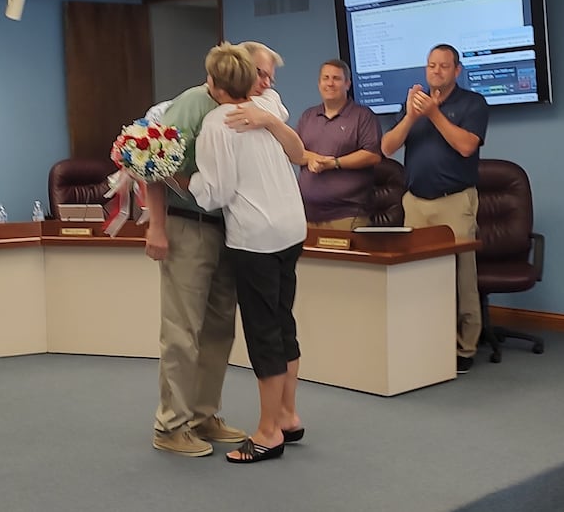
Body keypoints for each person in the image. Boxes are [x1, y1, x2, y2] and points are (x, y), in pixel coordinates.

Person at [144, 41, 289, 457]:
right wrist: (156, 225)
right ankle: (171, 425)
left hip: (230, 229)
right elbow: (151, 160)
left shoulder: (252, 107)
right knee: (182, 331)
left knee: (219, 328)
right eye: (259, 74)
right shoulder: (192, 104)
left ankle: (203, 414)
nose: (263, 83)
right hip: (188, 225)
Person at [188, 42, 306, 464]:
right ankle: (288, 415)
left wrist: (182, 179)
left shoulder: (218, 125)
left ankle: (268, 431)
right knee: (283, 320)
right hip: (292, 228)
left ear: (216, 85)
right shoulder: (269, 105)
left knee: (263, 333)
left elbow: (214, 193)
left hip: (256, 238)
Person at [380, 44, 488, 374]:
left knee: (461, 275)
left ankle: (465, 347)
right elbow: (386, 148)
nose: (436, 71)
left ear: (457, 70)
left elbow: (466, 146)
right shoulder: (413, 105)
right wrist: (413, 115)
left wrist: (434, 114)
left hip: (453, 201)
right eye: (431, 66)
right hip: (415, 202)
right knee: (419, 278)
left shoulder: (473, 103)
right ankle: (428, 340)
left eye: (443, 66)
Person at [295, 59, 382, 230]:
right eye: (325, 78)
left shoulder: (362, 116)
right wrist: (316, 158)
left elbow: (372, 155)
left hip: (347, 216)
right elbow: (294, 151)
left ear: (347, 84)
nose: (330, 83)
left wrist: (334, 163)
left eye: (336, 78)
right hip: (307, 216)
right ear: (319, 83)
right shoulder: (308, 116)